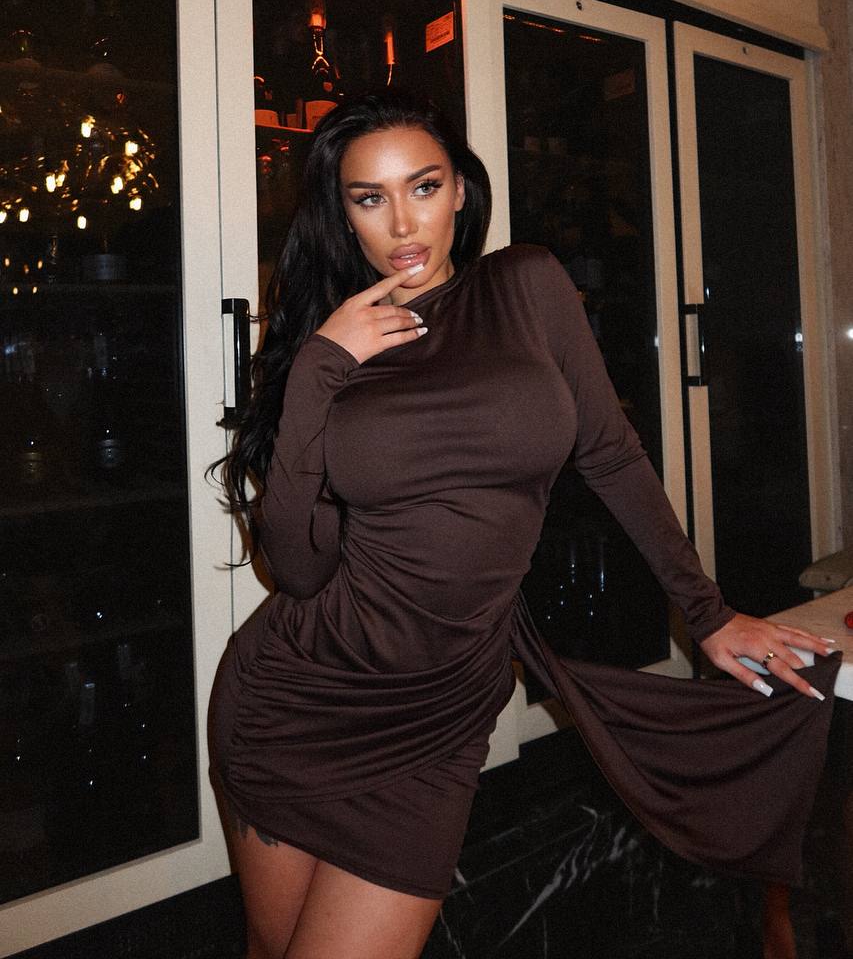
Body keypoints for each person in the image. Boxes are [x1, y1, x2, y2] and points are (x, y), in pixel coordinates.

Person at [208, 90, 840, 959]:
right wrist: (319, 365)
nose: (402, 223)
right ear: (341, 214)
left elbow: (610, 455)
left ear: (461, 190)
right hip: (300, 700)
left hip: (439, 718)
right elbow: (299, 570)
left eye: (423, 186)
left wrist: (706, 612)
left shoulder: (524, 286)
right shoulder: (334, 347)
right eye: (369, 198)